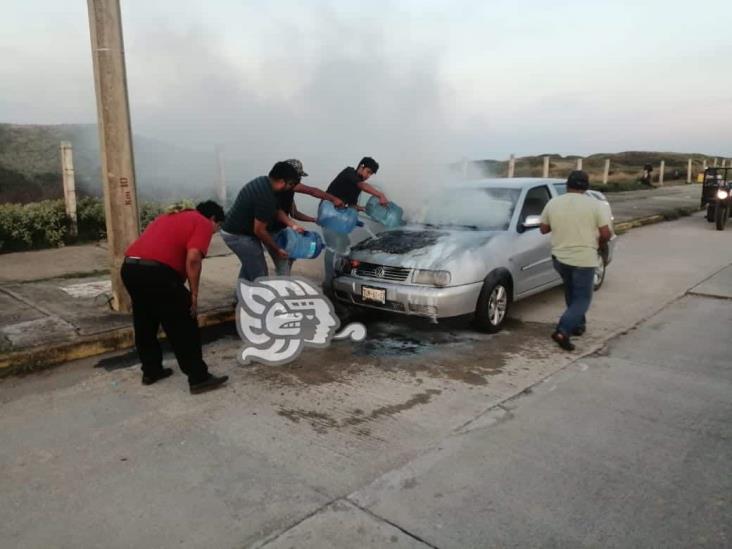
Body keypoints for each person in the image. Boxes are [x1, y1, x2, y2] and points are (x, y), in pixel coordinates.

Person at [121, 201, 229, 394]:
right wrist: (194, 295)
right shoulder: (202, 222)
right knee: (183, 324)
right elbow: (194, 258)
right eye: (218, 227)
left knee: (145, 320)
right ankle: (198, 378)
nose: (214, 232)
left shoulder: (168, 216)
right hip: (157, 273)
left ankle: (151, 371)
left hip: (130, 268)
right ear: (213, 219)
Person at [540, 171, 612, 351]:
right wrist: (598, 244)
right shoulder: (596, 205)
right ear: (586, 186)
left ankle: (578, 326)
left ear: (567, 185)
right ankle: (563, 330)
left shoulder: (553, 203)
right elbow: (605, 234)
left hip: (560, 258)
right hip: (584, 259)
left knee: (571, 291)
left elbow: (543, 229)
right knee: (582, 299)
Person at [221, 161, 300, 282]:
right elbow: (259, 231)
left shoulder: (265, 182)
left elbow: (277, 211)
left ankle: (240, 297)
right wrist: (277, 249)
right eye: (291, 184)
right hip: (237, 236)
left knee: (250, 266)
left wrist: (293, 225)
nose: (291, 188)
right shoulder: (265, 197)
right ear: (282, 182)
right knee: (260, 274)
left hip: (235, 230)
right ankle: (256, 298)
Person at [267, 159, 345, 276]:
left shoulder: (288, 190)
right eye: (298, 177)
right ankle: (284, 288)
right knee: (282, 265)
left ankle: (283, 283)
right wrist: (333, 199)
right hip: (270, 232)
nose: (298, 181)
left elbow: (294, 213)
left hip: (281, 231)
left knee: (287, 260)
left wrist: (313, 219)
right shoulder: (278, 188)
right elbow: (312, 191)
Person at [322, 157, 389, 287]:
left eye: (371, 174)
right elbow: (362, 185)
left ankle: (337, 278)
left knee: (343, 245)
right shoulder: (349, 173)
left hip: (340, 218)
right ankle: (329, 283)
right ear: (361, 166)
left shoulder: (357, 185)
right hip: (329, 215)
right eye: (368, 172)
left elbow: (351, 205)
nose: (368, 176)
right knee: (333, 247)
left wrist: (364, 209)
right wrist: (380, 195)